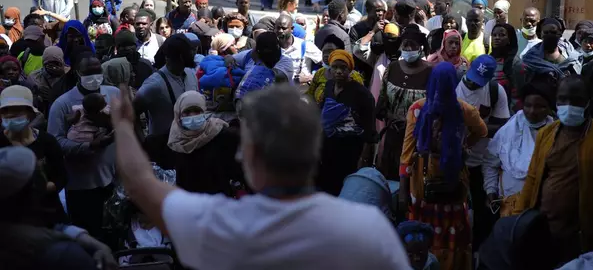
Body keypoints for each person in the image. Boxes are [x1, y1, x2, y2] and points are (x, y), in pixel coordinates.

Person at [110, 82, 410, 269]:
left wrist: (123, 125)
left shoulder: (220, 226)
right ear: (315, 152)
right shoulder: (370, 228)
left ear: (247, 156)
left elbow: (139, 183)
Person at [514, 75, 593, 267]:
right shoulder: (546, 135)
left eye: (576, 101)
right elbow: (533, 180)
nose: (568, 105)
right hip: (542, 235)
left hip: (586, 244)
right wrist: (517, 223)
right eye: (563, 100)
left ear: (588, 103)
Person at [399, 62, 488, 270]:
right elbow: (407, 153)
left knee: (452, 238)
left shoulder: (464, 110)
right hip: (422, 183)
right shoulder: (418, 110)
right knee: (422, 240)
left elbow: (482, 131)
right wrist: (403, 190)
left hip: (453, 184)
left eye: (446, 84)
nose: (441, 88)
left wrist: (464, 146)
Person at [0, 146, 117, 270]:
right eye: (39, 170)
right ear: (35, 187)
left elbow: (50, 228)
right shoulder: (64, 255)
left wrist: (93, 243)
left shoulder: (13, 225)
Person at [47, 53, 120, 239]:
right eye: (89, 73)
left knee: (113, 233)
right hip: (81, 186)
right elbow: (55, 142)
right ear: (78, 73)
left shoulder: (113, 94)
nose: (94, 77)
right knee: (88, 235)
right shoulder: (62, 104)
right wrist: (90, 145)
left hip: (113, 181)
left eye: (98, 71)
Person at [455, 54, 511, 250]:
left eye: (478, 83)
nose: (472, 85)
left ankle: (479, 251)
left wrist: (477, 128)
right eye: (470, 79)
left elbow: (503, 125)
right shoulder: (454, 85)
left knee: (482, 212)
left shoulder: (496, 91)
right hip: (456, 161)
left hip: (482, 161)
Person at [483, 81, 554, 217]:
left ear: (549, 108)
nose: (532, 111)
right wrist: (491, 190)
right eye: (528, 105)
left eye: (540, 107)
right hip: (508, 208)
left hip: (541, 209)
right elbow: (490, 162)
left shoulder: (555, 135)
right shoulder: (508, 130)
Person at [0, 84, 67, 222]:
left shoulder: (47, 141)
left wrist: (44, 187)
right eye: (5, 112)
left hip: (47, 214)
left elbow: (62, 176)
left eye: (17, 112)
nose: (10, 116)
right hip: (9, 218)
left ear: (30, 114)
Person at [376, 25, 432, 180]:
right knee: (390, 178)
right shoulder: (393, 68)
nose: (408, 48)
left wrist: (412, 122)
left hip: (417, 138)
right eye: (405, 44)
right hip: (393, 135)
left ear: (420, 48)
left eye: (412, 45)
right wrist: (393, 118)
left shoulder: (430, 72)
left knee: (414, 179)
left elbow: (433, 107)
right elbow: (382, 103)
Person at [317, 50, 375, 195]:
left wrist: (363, 158)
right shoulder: (329, 86)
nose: (338, 72)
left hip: (350, 152)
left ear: (350, 69)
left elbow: (370, 130)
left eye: (343, 68)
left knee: (346, 189)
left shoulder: (362, 94)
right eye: (335, 67)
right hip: (327, 149)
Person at [167, 91, 241, 195]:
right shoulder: (174, 141)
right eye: (187, 112)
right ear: (178, 115)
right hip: (187, 204)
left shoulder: (220, 134)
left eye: (197, 111)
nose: (192, 116)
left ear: (204, 111)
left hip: (218, 202)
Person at [135, 34, 198, 138]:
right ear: (181, 56)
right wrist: (143, 142)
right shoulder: (154, 84)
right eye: (190, 51)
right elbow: (132, 113)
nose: (194, 53)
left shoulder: (191, 74)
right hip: (164, 148)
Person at [307, 34, 364, 104]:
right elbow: (309, 95)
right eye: (324, 52)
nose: (326, 55)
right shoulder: (320, 73)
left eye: (330, 51)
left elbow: (361, 101)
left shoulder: (354, 76)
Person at [274, 14, 322, 85]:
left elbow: (326, 63)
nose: (280, 31)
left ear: (292, 29)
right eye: (278, 28)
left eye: (284, 28)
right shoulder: (271, 47)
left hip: (301, 93)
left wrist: (311, 77)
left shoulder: (305, 46)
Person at [350, 0, 386, 82]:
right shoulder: (357, 29)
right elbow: (353, 52)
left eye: (383, 11)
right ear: (368, 10)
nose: (380, 13)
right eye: (377, 10)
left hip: (380, 76)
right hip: (361, 76)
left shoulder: (386, 28)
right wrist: (373, 31)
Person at [29, 46, 67, 116]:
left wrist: (62, 75)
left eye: (56, 63)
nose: (53, 67)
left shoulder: (68, 73)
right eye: (49, 63)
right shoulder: (35, 76)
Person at [490, 23, 519, 103]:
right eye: (494, 35)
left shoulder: (515, 63)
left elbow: (516, 94)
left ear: (510, 39)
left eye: (502, 35)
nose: (497, 38)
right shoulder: (489, 59)